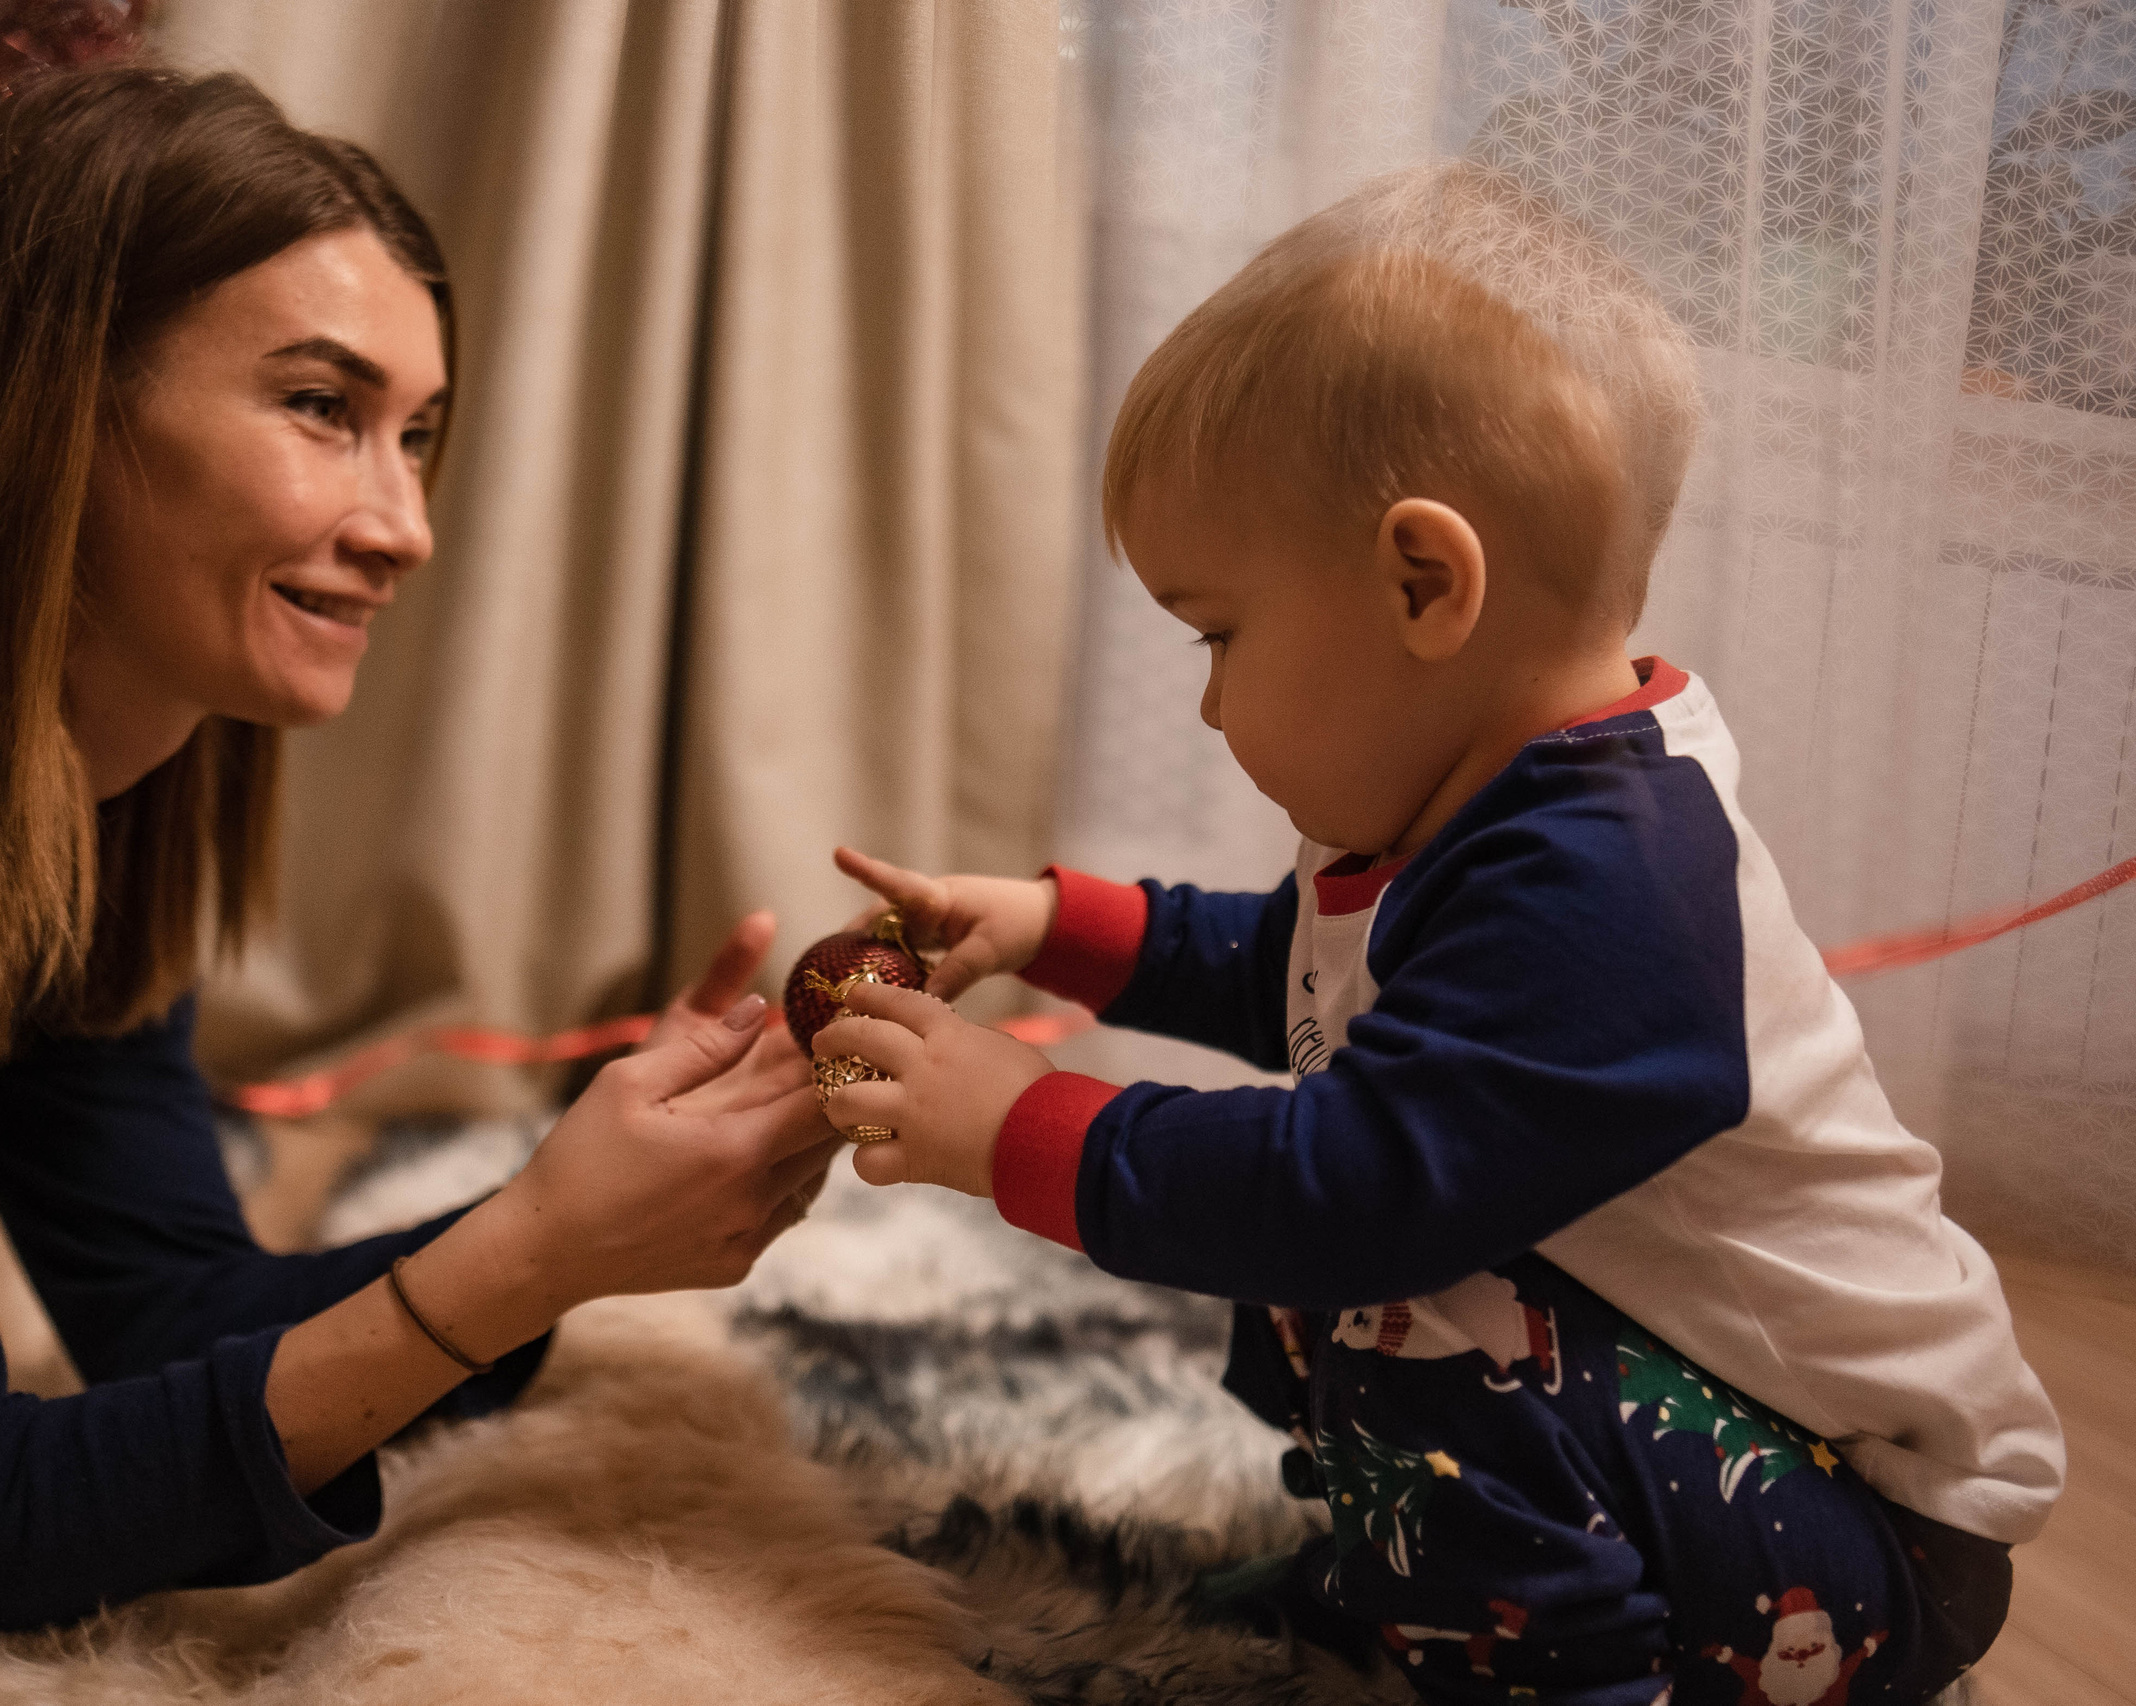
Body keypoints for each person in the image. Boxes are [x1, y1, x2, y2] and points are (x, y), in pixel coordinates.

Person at [0, 68, 836, 1632]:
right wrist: (522, 1257)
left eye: (417, 433)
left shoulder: (79, 734)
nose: (407, 525)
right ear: (43, 400)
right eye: (322, 407)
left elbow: (165, 1307)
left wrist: (574, 1210)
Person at [808, 164, 2064, 1705]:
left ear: (1424, 583)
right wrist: (1056, 925)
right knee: (1327, 1250)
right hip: (1728, 1436)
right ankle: (1423, 1581)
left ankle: (1575, 1668)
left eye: (1219, 632)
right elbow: (1298, 976)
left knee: (1400, 1287)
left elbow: (1360, 1190)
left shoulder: (1614, 888)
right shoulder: (1484, 816)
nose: (1208, 700)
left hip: (1867, 1536)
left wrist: (1021, 1128)